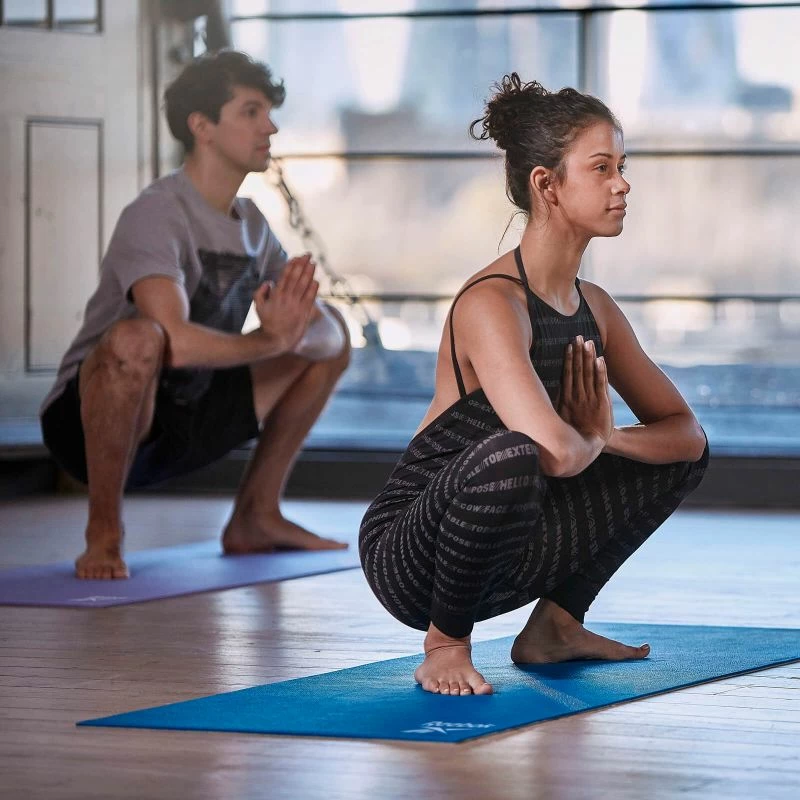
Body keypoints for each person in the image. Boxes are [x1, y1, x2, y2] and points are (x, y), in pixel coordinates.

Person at [359, 74, 709, 696]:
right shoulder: (493, 304)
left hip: (510, 539)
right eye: (601, 168)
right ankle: (444, 644)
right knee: (516, 455)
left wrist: (608, 438)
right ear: (546, 184)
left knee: (670, 456)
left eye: (622, 166)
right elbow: (551, 449)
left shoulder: (595, 308)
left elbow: (686, 437)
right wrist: (591, 438)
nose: (622, 184)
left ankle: (555, 626)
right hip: (414, 553)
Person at [40, 51, 351, 580]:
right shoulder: (158, 211)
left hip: (192, 415)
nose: (270, 126)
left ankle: (256, 515)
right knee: (139, 338)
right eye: (250, 112)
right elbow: (174, 343)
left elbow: (321, 337)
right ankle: (104, 534)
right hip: (94, 426)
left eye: (268, 112)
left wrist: (295, 332)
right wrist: (274, 341)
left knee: (336, 335)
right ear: (201, 126)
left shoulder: (252, 224)